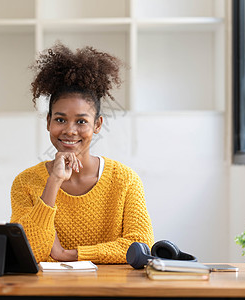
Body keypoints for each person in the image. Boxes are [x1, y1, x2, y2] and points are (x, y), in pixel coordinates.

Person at [10, 43, 154, 264]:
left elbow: (142, 246)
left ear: (97, 125)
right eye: (60, 119)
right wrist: (54, 182)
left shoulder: (124, 180)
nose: (69, 130)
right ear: (48, 122)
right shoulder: (25, 183)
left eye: (81, 121)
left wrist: (69, 255)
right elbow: (28, 253)